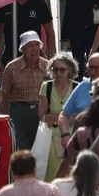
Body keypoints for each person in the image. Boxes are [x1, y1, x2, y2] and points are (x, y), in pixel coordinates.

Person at [0, 30, 50, 152]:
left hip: (41, 112)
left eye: (36, 44)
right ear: (23, 49)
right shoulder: (12, 68)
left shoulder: (48, 67)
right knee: (21, 151)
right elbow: (4, 97)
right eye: (30, 45)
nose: (34, 49)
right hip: (18, 112)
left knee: (40, 151)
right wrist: (3, 120)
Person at [0, 0, 56, 64]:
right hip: (10, 56)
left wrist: (51, 54)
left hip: (34, 56)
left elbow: (49, 30)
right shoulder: (5, 3)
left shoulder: (39, 2)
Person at [38, 52, 80, 181]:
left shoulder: (77, 87)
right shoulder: (47, 86)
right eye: (55, 69)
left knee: (71, 176)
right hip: (50, 138)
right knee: (51, 176)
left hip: (72, 137)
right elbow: (41, 116)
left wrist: (54, 117)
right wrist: (65, 117)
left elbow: (79, 117)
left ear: (70, 70)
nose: (58, 73)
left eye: (62, 70)